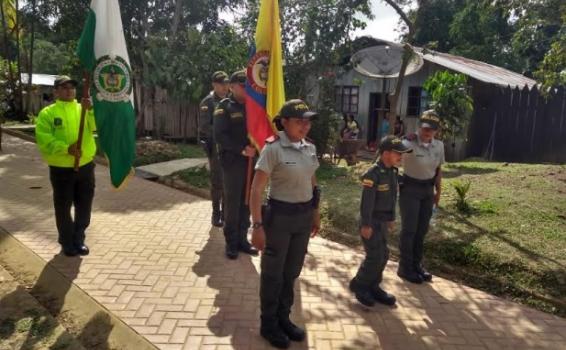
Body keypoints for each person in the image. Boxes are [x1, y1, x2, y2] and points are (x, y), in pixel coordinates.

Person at [250, 99, 321, 349]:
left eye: (308, 121)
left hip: (302, 219)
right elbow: (257, 190)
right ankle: (268, 324)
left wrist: (315, 213)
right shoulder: (273, 149)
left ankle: (283, 318)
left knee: (291, 273)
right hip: (279, 220)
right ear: (285, 122)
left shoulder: (309, 148)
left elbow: (312, 181)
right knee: (273, 275)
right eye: (300, 121)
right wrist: (257, 227)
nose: (306, 125)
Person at [35, 75, 96, 257]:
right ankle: (67, 242)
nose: (69, 90)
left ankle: (79, 239)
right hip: (61, 169)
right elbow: (44, 139)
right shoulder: (48, 113)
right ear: (56, 92)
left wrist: (91, 110)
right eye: (64, 87)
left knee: (84, 205)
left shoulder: (82, 109)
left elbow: (94, 127)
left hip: (85, 166)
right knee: (63, 207)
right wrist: (65, 149)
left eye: (72, 87)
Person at [349, 135, 412, 307]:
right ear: (385, 154)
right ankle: (360, 285)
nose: (401, 156)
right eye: (397, 153)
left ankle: (374, 286)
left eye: (402, 153)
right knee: (374, 256)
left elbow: (392, 198)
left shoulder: (392, 172)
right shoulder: (373, 174)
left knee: (383, 255)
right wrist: (366, 224)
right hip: (371, 222)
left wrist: (391, 219)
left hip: (383, 221)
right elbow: (367, 203)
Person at [213, 70, 258, 259]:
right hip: (233, 162)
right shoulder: (224, 107)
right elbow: (220, 136)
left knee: (246, 201)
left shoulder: (254, 107)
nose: (246, 89)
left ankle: (242, 239)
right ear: (232, 86)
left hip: (251, 161)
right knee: (232, 203)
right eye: (242, 85)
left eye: (248, 85)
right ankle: (231, 243)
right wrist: (241, 149)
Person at [398, 110, 445, 284]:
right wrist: (402, 138)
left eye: (431, 130)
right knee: (409, 230)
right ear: (419, 127)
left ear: (436, 131)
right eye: (425, 128)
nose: (427, 132)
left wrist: (438, 191)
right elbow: (391, 155)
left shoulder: (439, 146)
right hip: (410, 189)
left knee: (421, 230)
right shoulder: (408, 143)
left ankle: (417, 265)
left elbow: (439, 169)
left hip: (427, 191)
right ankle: (405, 267)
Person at [199, 71, 229, 227]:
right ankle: (216, 214)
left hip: (230, 148)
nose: (225, 87)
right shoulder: (208, 102)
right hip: (216, 148)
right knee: (217, 182)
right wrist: (223, 133)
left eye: (227, 84)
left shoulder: (230, 101)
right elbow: (205, 127)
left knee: (228, 182)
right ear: (214, 85)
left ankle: (225, 213)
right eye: (222, 84)